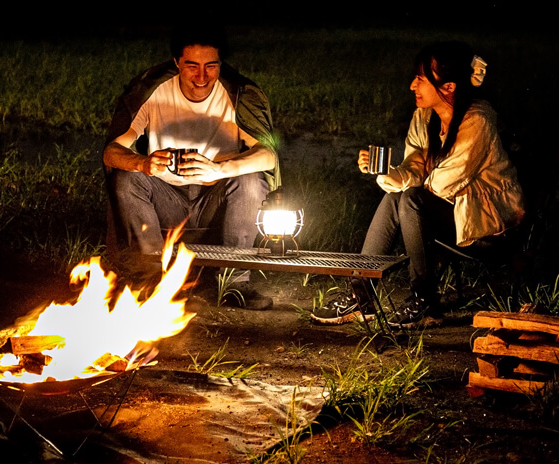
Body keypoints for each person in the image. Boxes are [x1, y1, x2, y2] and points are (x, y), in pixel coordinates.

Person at [311, 41, 525, 328]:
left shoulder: (477, 121)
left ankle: (425, 301)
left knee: (410, 199)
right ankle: (361, 295)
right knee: (397, 198)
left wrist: (409, 179)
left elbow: (444, 182)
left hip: (487, 224)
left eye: (421, 79)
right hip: (448, 212)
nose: (412, 85)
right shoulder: (424, 117)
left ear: (449, 86)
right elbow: (414, 166)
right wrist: (389, 173)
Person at [103, 23, 281, 309]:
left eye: (211, 66)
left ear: (221, 64)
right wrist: (143, 162)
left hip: (215, 200)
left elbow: (268, 155)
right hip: (166, 198)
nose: (201, 76)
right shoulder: (155, 92)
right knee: (127, 178)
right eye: (192, 66)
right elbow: (111, 152)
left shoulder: (235, 95)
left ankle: (235, 284)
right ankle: (152, 280)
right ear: (176, 63)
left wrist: (219, 170)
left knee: (251, 180)